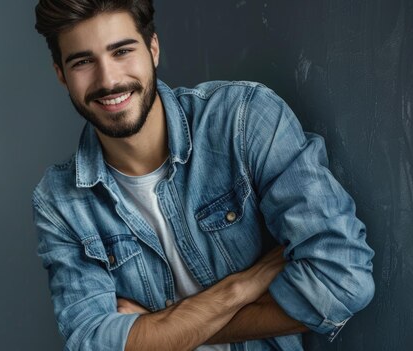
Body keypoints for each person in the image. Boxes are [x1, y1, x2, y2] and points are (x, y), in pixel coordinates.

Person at [31, 1, 375, 350]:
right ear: (61, 73)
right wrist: (239, 289)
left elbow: (343, 278)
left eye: (122, 51)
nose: (109, 80)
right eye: (83, 62)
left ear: (153, 48)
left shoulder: (242, 121)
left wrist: (160, 329)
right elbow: (92, 342)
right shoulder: (59, 200)